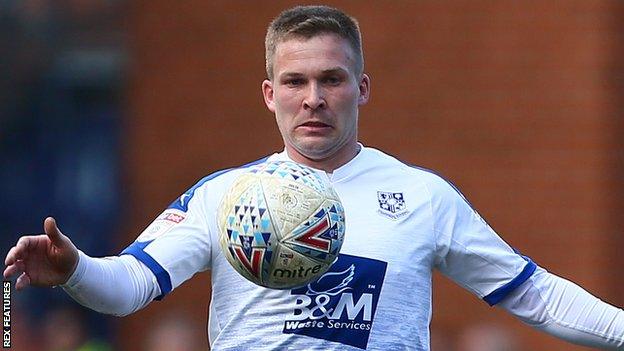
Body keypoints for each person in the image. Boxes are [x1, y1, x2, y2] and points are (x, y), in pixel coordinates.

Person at [4, 5, 624, 350]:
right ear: (270, 94)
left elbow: (533, 293)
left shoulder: (422, 196)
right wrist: (76, 269)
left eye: (332, 79)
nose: (314, 99)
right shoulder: (227, 197)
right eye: (296, 82)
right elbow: (132, 284)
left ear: (362, 88)